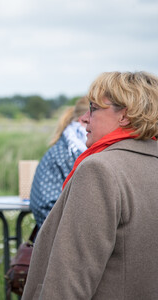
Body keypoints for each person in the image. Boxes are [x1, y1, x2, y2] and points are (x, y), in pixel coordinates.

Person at [22, 71, 158, 300]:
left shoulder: (100, 170)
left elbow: (69, 279)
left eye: (94, 108)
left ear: (124, 115)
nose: (85, 117)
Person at [30, 96, 88, 230]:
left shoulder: (74, 151)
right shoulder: (63, 154)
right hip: (62, 239)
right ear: (83, 120)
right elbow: (45, 205)